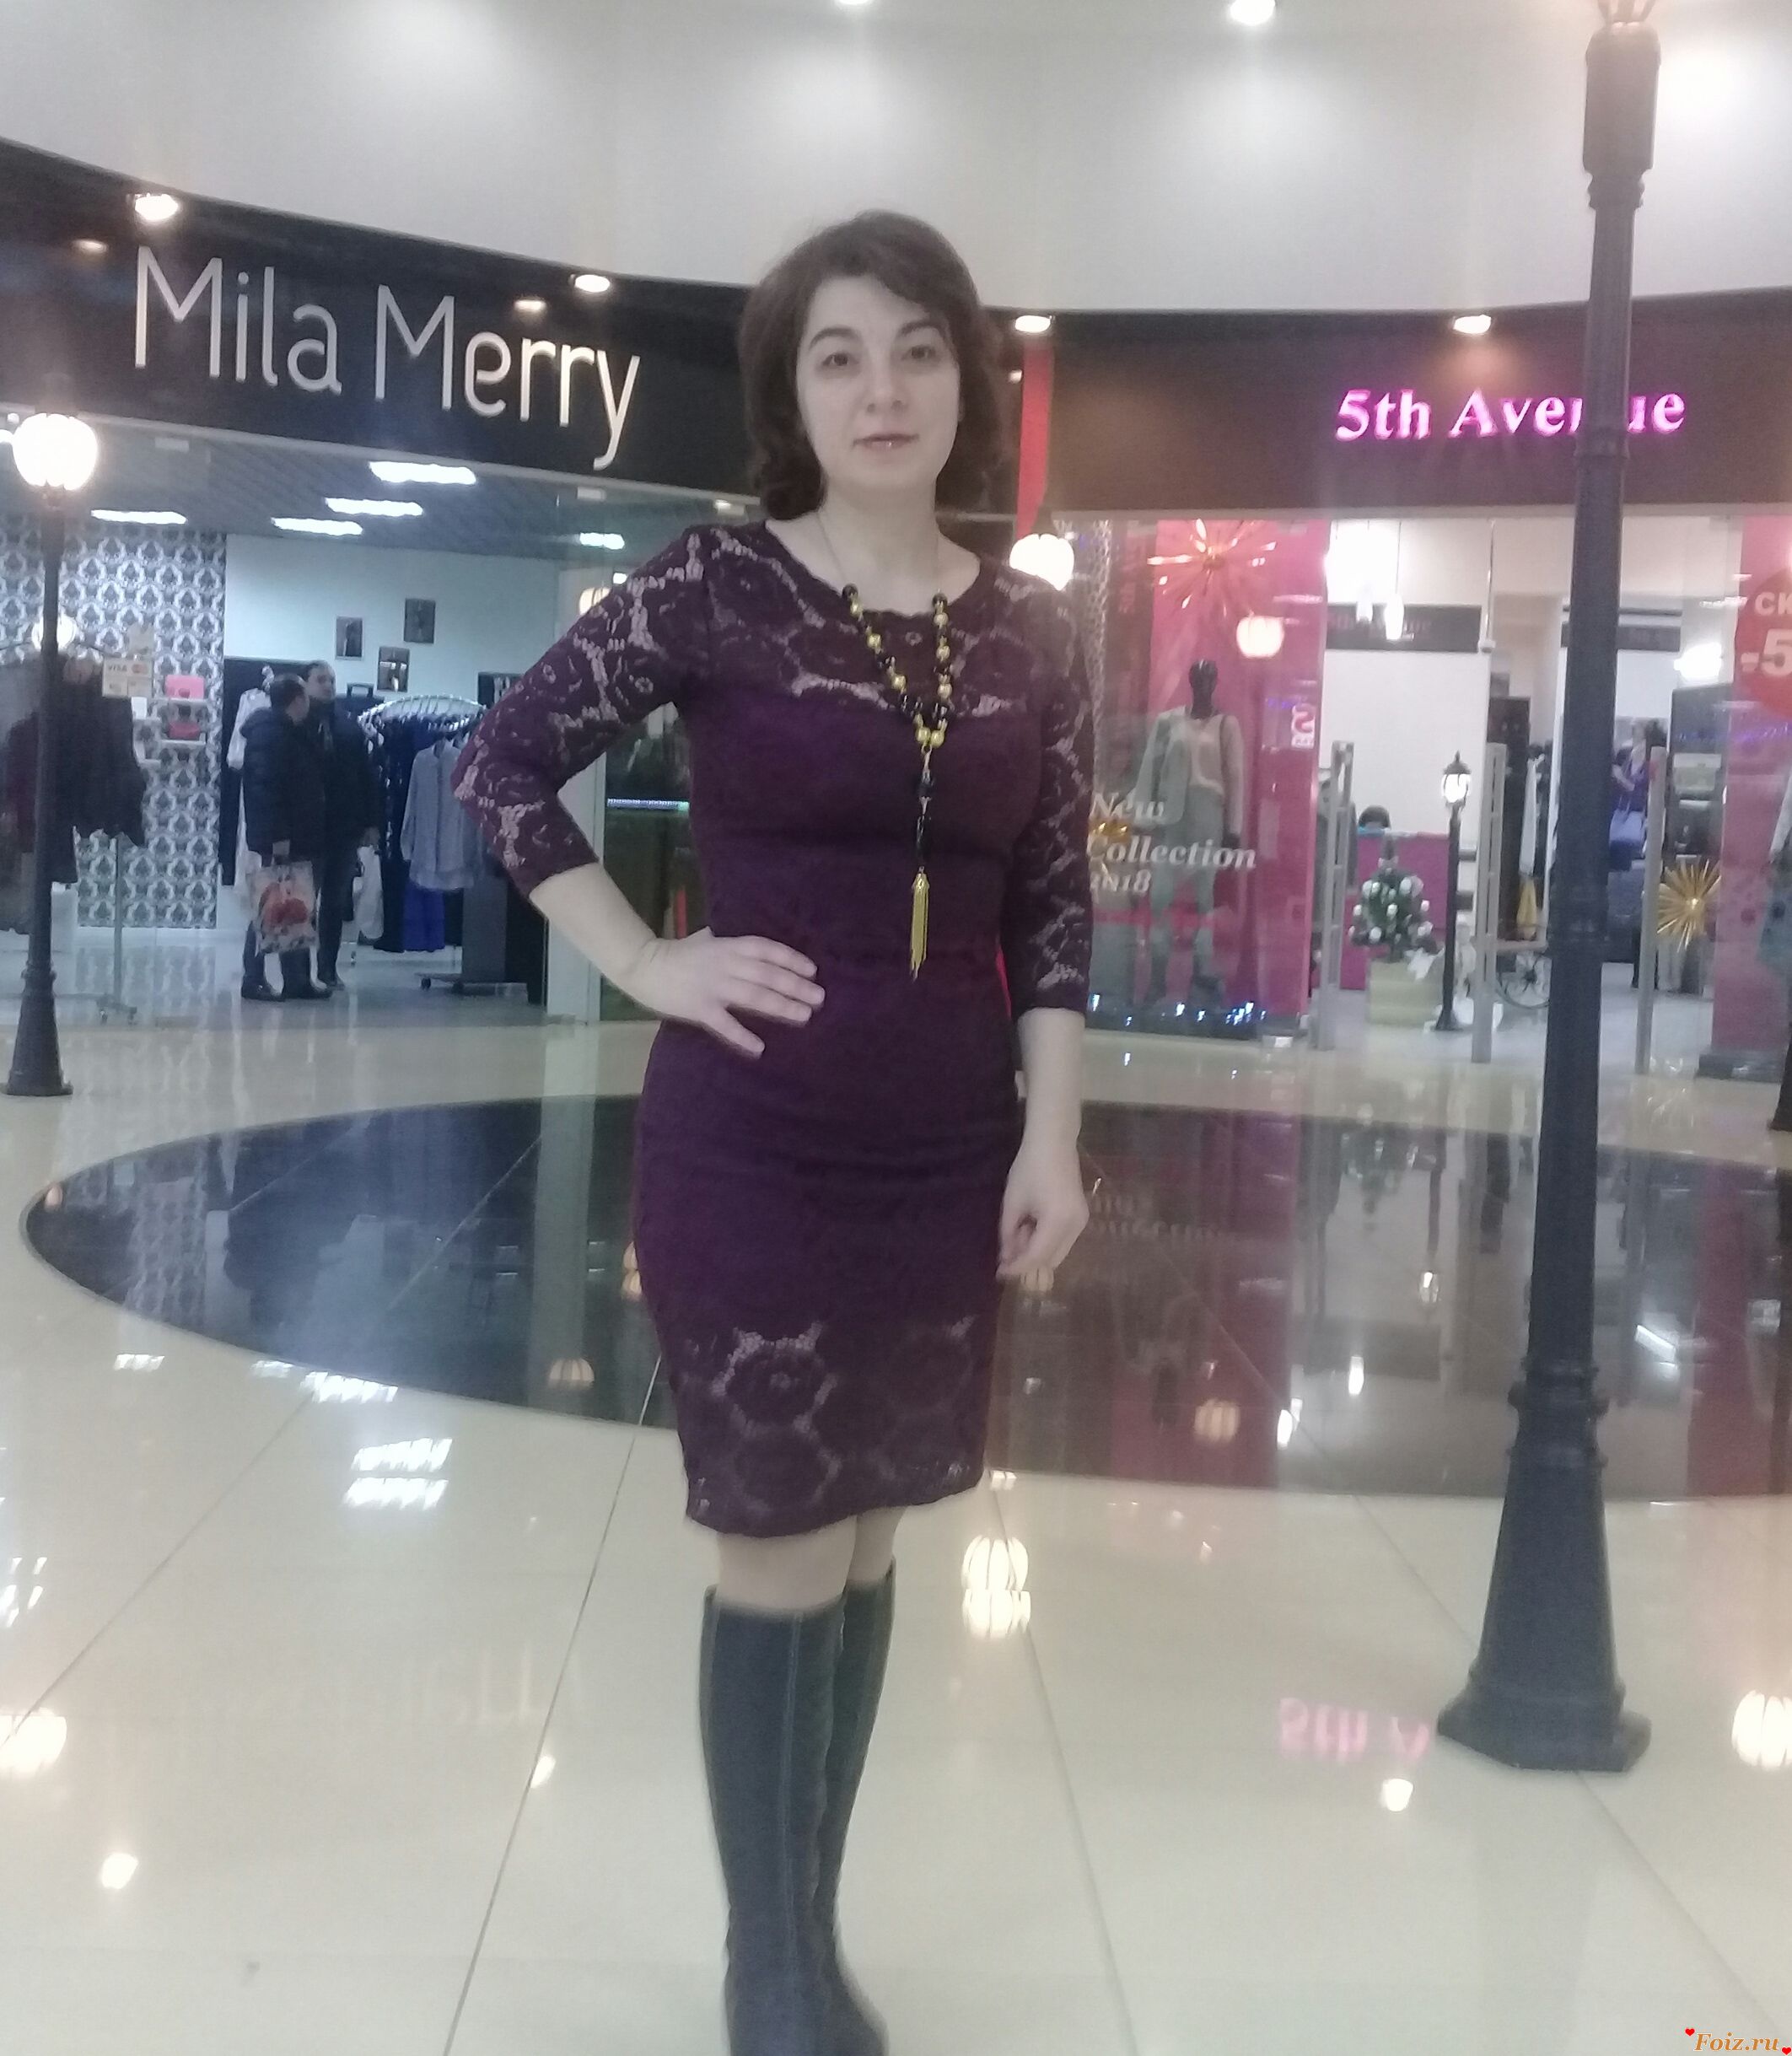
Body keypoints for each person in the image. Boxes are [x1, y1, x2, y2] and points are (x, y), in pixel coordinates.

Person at [453, 211, 1094, 2056]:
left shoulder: (1033, 628)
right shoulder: (719, 585)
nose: (881, 387)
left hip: (947, 1145)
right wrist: (645, 957)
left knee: (875, 1533)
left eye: (916, 347)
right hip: (753, 1139)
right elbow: (502, 763)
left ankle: (811, 1929)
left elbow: (1055, 904)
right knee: (782, 1539)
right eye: (838, 354)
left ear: (967, 378)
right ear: (790, 394)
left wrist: (1052, 1135)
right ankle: (773, 1970)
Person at [239, 674, 328, 1002]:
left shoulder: (286, 732)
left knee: (295, 905)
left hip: (297, 835)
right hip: (284, 837)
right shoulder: (272, 734)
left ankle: (297, 979)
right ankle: (253, 977)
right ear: (297, 699)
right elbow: (265, 789)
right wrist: (278, 835)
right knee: (271, 905)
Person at [301, 659, 382, 991]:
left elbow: (367, 776)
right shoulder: (296, 723)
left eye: (331, 680)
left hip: (344, 828)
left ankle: (327, 970)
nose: (328, 685)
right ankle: (298, 974)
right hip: (306, 828)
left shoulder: (349, 726)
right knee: (303, 901)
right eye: (321, 679)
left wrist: (372, 822)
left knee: (335, 903)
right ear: (305, 684)